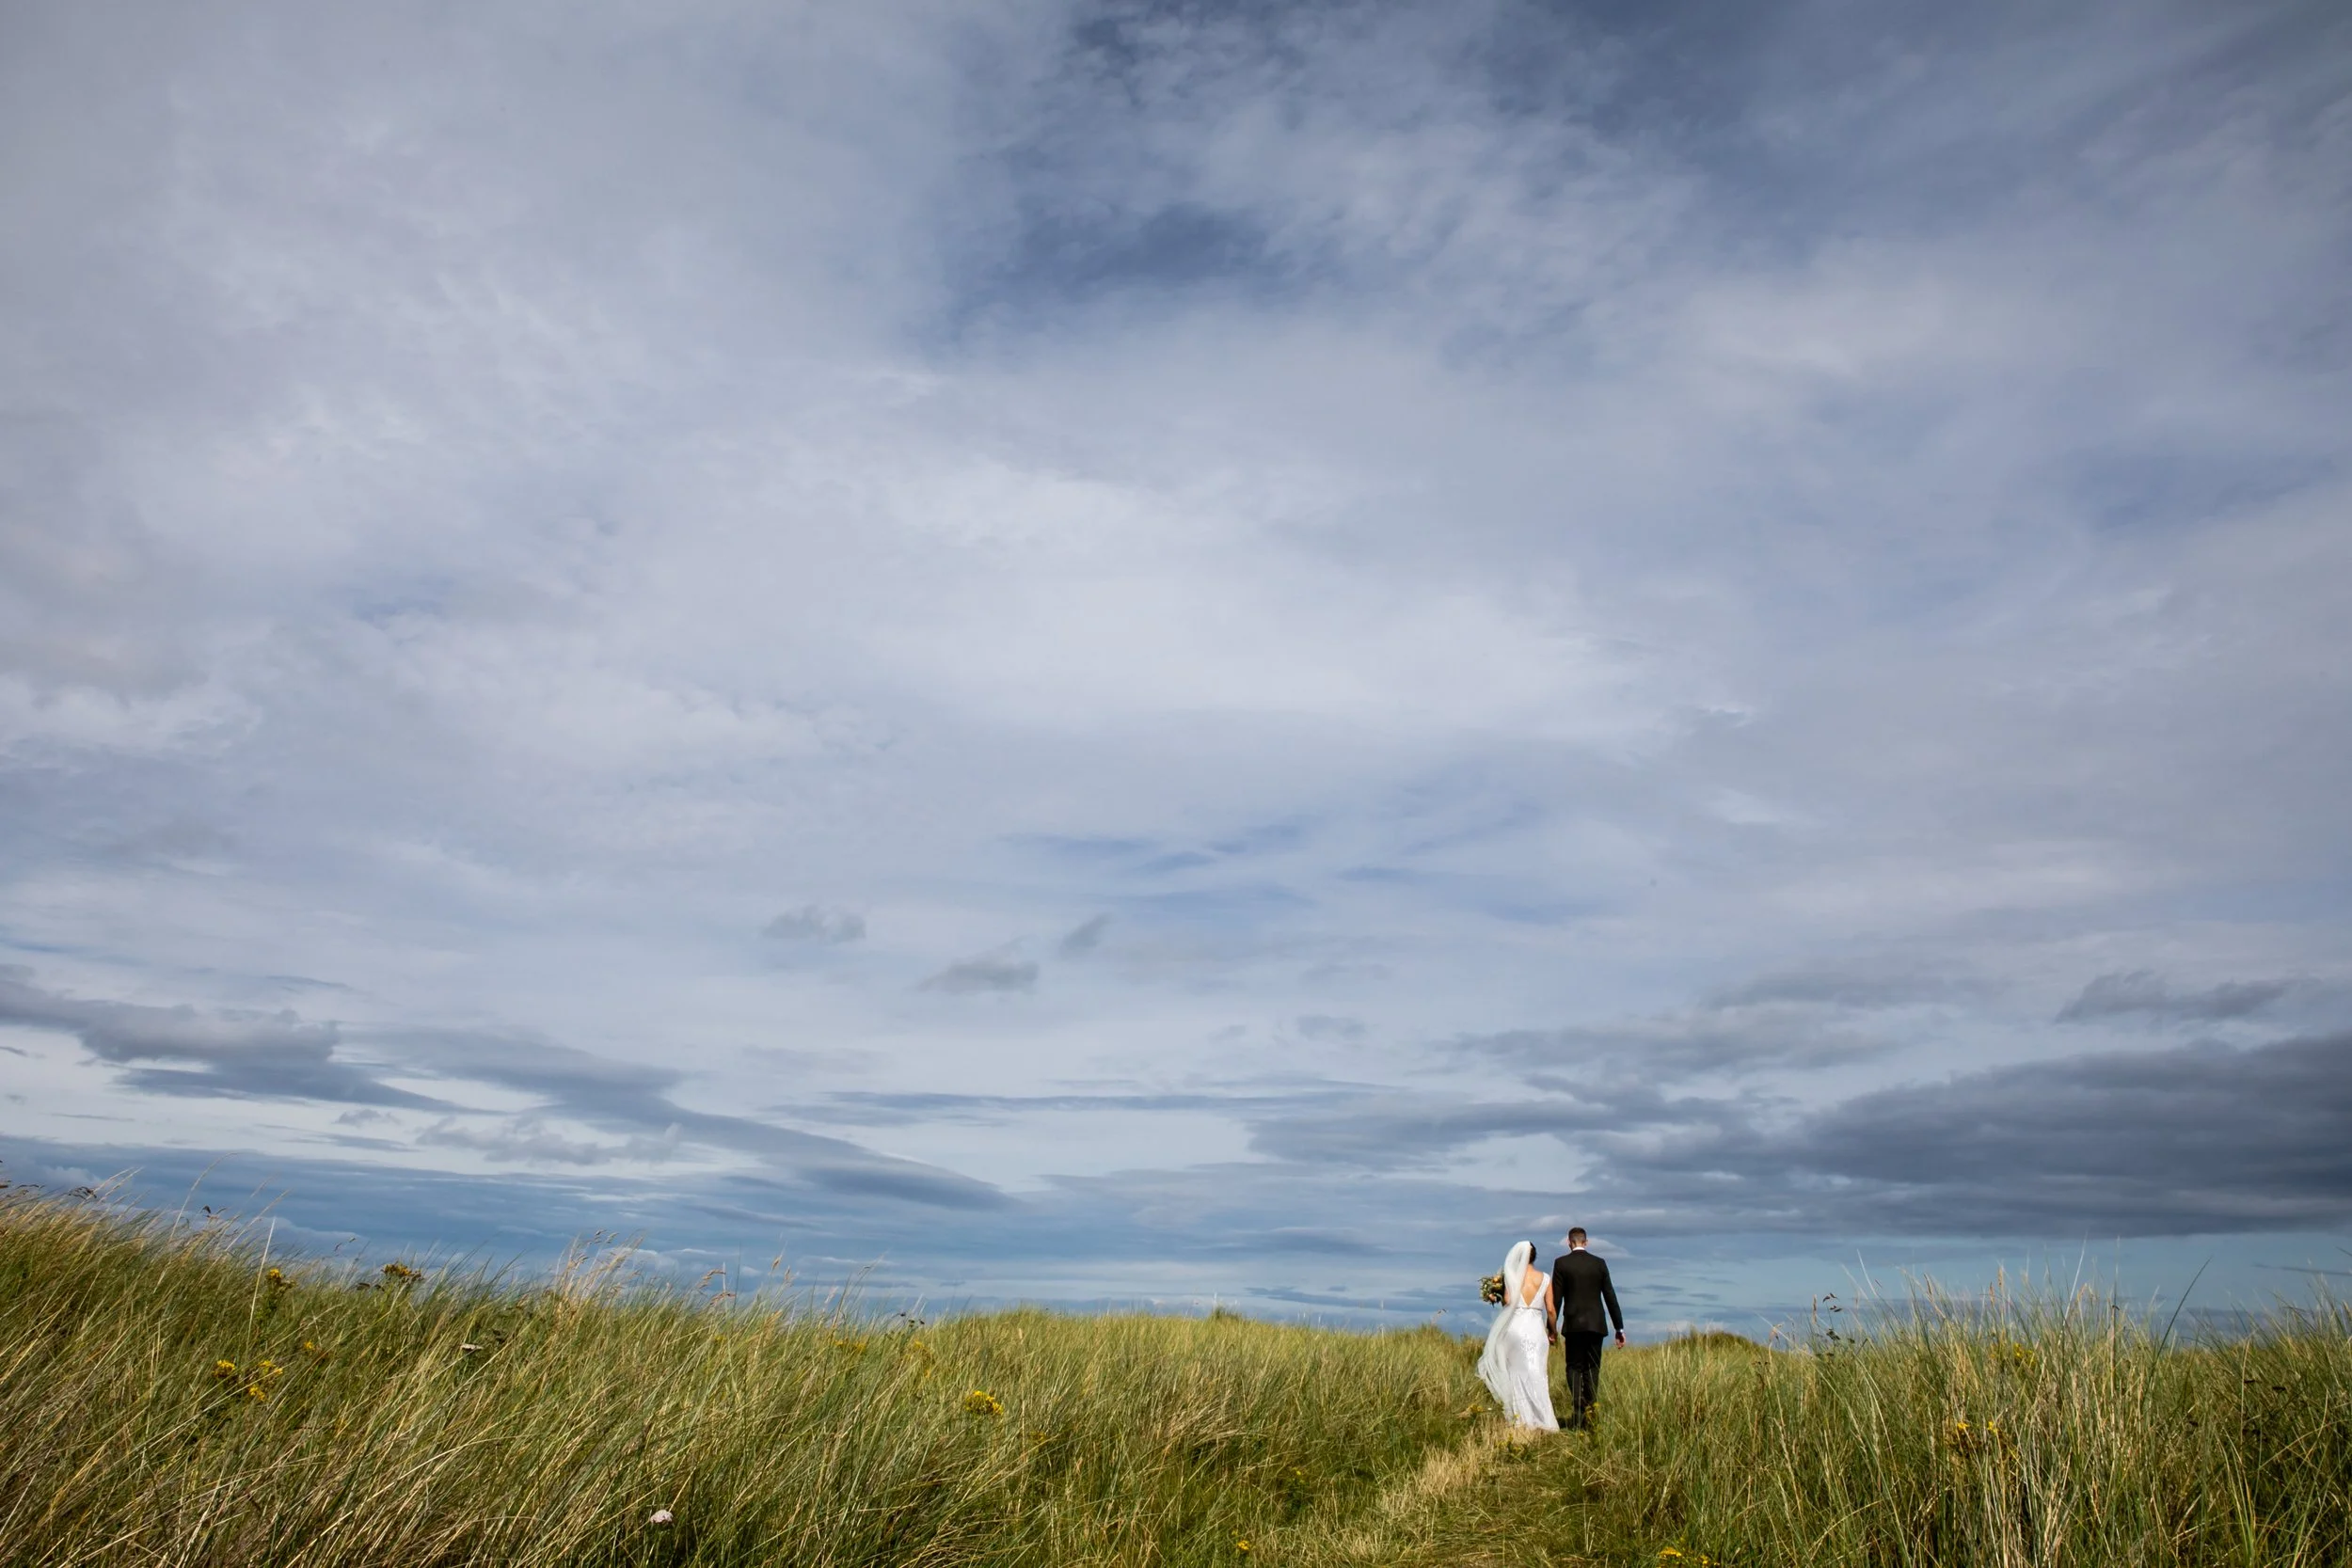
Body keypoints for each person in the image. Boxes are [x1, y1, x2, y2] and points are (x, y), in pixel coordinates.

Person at [1475, 1239, 1559, 1431]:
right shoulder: (1545, 1278)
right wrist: (1552, 1331)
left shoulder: (1511, 1277)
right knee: (1537, 1371)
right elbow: (1551, 1310)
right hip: (1536, 1330)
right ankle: (1542, 1417)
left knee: (1516, 1372)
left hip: (1515, 1328)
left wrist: (1494, 1296)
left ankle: (1520, 1417)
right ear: (1534, 1257)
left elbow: (1508, 1302)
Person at [1549, 1227, 1624, 1431]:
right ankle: (1591, 1412)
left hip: (1573, 1325)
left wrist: (1551, 1328)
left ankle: (1579, 1408)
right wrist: (1619, 1327)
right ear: (1586, 1242)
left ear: (1569, 1242)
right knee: (1592, 1368)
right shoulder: (1599, 1264)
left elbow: (1556, 1299)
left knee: (1573, 1367)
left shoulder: (1561, 1263)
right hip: (1596, 1324)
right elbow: (1610, 1297)